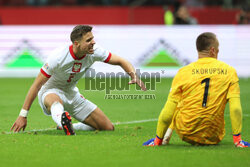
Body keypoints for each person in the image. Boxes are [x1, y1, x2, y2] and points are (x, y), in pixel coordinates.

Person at [11, 25, 146, 135]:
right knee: (54, 100)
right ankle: (62, 122)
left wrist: (133, 75)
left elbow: (121, 61)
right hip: (50, 91)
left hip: (72, 94)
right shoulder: (57, 57)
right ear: (76, 43)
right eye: (88, 40)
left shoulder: (94, 51)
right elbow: (36, 86)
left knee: (108, 127)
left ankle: (69, 124)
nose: (93, 42)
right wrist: (23, 115)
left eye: (92, 38)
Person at [143, 32, 249, 147]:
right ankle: (238, 142)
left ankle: (162, 139)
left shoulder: (183, 72)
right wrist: (237, 140)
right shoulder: (229, 71)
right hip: (214, 135)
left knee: (177, 100)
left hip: (186, 132)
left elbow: (167, 112)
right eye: (218, 51)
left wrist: (157, 140)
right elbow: (236, 109)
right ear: (213, 51)